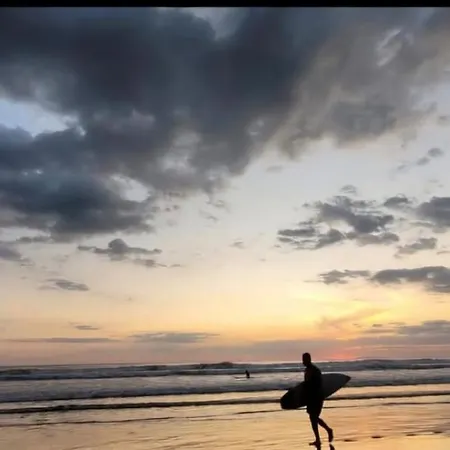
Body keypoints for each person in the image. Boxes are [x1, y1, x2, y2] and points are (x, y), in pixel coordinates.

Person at [302, 352, 333, 447]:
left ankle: (327, 432)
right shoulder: (307, 370)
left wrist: (313, 395)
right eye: (303, 359)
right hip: (311, 397)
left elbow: (317, 384)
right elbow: (306, 384)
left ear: (309, 359)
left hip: (317, 397)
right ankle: (320, 438)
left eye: (304, 359)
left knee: (314, 417)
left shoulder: (315, 370)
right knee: (313, 418)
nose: (303, 361)